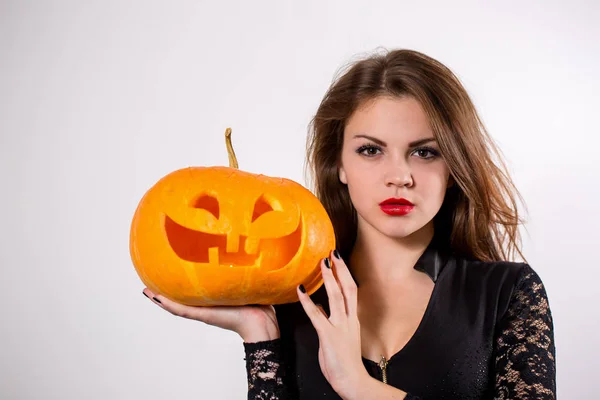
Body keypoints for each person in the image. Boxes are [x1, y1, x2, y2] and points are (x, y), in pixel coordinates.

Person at [142, 49, 556, 399]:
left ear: (455, 165)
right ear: (338, 163)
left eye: (425, 153)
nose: (400, 176)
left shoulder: (508, 294)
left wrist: (360, 387)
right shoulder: (291, 300)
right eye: (371, 150)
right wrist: (260, 336)